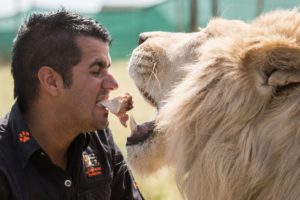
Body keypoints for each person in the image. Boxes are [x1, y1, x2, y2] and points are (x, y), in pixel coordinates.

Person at [0, 9, 144, 200]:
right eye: (96, 71)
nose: (114, 84)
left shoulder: (99, 140)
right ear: (51, 81)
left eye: (107, 69)